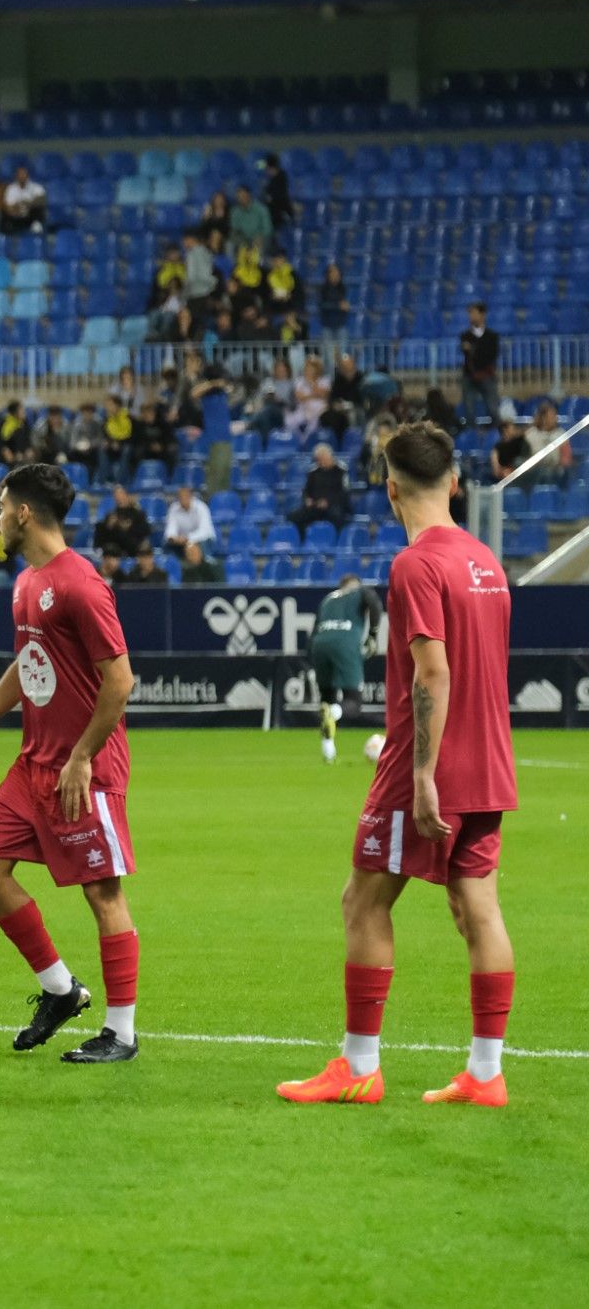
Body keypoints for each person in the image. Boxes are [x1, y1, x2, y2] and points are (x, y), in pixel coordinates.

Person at [277, 422, 518, 1108]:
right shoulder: (487, 561)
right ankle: (485, 1071)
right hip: (491, 762)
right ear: (455, 482)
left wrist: (418, 774)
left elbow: (432, 674)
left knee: (363, 899)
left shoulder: (416, 565)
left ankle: (358, 1066)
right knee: (479, 906)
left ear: (389, 489)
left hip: (433, 764)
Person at [0, 463, 141, 1064]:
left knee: (102, 894)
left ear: (23, 512)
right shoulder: (26, 584)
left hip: (82, 770)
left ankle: (121, 1033)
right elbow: (29, 666)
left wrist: (81, 757)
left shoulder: (80, 583)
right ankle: (60, 990)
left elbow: (120, 681)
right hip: (34, 764)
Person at [308, 574, 384, 765]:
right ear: (355, 584)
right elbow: (375, 602)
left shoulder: (327, 599)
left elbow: (313, 633)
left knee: (327, 697)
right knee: (353, 702)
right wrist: (373, 634)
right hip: (345, 643)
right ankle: (333, 713)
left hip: (320, 645)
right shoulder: (360, 591)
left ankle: (328, 751)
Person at [287, 445, 351, 532]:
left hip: (335, 505)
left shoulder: (341, 470)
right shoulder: (313, 471)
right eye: (318, 459)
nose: (321, 462)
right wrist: (307, 499)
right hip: (315, 505)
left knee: (337, 517)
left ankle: (334, 542)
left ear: (330, 457)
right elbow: (306, 490)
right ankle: (303, 541)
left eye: (323, 458)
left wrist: (328, 502)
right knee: (292, 517)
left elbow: (344, 492)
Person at [161, 484, 217, 576]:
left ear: (191, 497)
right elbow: (170, 530)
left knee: (199, 543)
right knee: (166, 543)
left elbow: (204, 531)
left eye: (185, 496)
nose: (183, 499)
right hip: (181, 542)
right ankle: (171, 570)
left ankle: (205, 570)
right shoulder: (173, 508)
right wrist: (173, 538)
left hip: (203, 540)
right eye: (180, 497)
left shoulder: (201, 507)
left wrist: (187, 539)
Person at [489, 416, 533, 483]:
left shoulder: (521, 442)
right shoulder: (497, 448)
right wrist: (503, 472)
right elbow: (496, 470)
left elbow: (528, 459)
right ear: (505, 431)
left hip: (523, 476)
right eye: (512, 428)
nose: (514, 430)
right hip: (505, 478)